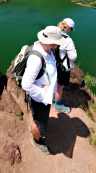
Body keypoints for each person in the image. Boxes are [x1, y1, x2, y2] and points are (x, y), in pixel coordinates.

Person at [21, 25, 67, 155]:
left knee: (37, 118)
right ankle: (37, 140)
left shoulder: (46, 50)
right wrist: (44, 93)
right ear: (51, 42)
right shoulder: (37, 58)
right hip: (40, 99)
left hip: (43, 98)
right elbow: (26, 84)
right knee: (39, 122)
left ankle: (34, 126)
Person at [53, 18, 77, 114]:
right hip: (62, 67)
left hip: (53, 64)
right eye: (71, 29)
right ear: (68, 28)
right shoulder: (68, 40)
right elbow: (73, 57)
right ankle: (57, 105)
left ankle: (54, 99)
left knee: (54, 83)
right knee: (60, 86)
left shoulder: (54, 34)